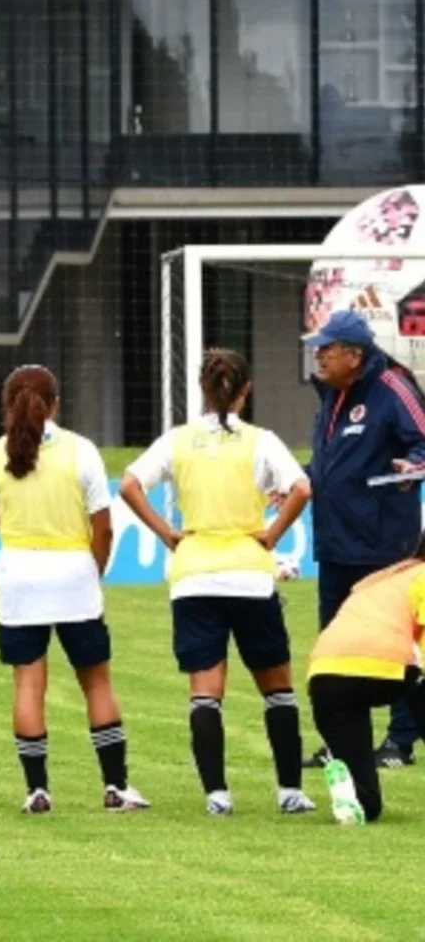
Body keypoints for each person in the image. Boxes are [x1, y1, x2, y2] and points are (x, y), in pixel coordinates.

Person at [121, 349, 316, 816]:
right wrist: (273, 533)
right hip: (249, 576)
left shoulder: (177, 440)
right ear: (246, 390)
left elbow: (129, 485)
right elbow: (303, 488)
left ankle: (217, 796)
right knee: (278, 689)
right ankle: (290, 792)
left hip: (195, 577)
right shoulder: (261, 441)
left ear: (202, 390)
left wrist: (167, 532)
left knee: (206, 693)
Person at [0, 365, 148, 815]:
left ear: (7, 404)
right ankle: (115, 787)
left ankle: (37, 790)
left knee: (28, 684)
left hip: (20, 576)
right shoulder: (81, 451)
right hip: (74, 574)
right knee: (96, 682)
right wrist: (92, 571)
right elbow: (103, 527)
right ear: (56, 403)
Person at [304, 309, 425, 767]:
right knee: (336, 646)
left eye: (327, 348)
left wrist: (414, 467)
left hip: (384, 542)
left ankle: (400, 742)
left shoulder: (393, 387)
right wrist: (301, 480)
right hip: (336, 542)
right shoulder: (330, 395)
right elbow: (334, 465)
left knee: (397, 643)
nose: (318, 355)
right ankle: (340, 743)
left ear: (354, 355)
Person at [306, 554, 425, 824]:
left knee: (369, 807)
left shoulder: (384, 577)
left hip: (324, 673)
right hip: (384, 663)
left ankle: (352, 795)